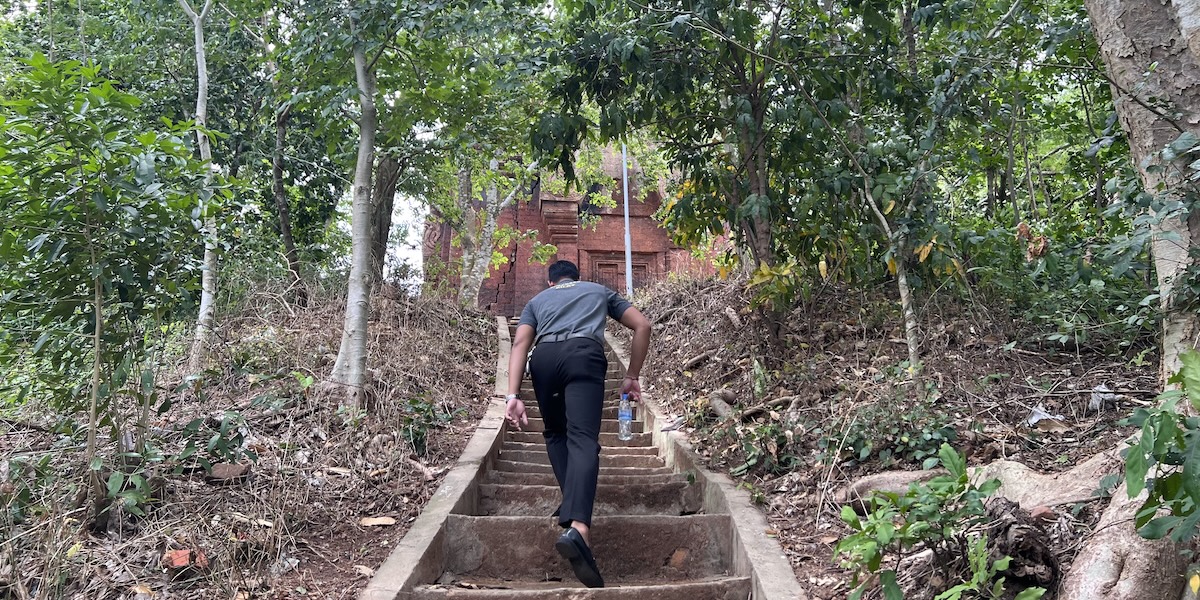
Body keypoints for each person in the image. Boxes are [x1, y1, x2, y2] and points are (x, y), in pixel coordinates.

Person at [504, 260, 652, 589]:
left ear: (550, 281)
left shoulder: (537, 302)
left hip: (544, 360)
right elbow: (642, 325)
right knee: (583, 438)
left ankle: (571, 503)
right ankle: (580, 529)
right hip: (584, 354)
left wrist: (512, 395)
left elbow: (519, 344)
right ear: (577, 278)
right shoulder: (598, 291)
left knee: (556, 433)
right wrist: (631, 376)